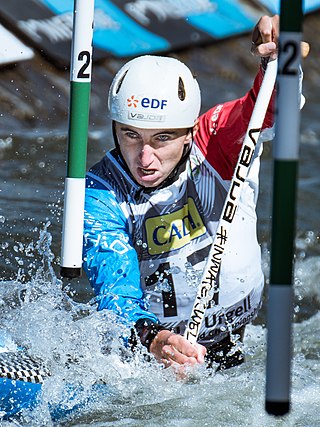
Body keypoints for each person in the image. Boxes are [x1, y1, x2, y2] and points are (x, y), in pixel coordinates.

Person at [82, 15, 282, 371]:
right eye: (131, 135)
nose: (145, 159)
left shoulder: (216, 139)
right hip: (159, 356)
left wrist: (279, 62)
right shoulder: (99, 194)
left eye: (162, 138)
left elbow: (267, 107)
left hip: (241, 335)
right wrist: (153, 338)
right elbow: (115, 295)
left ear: (189, 131)